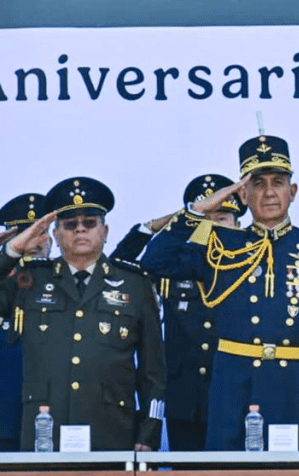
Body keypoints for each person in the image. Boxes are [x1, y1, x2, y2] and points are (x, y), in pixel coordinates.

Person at [140, 135, 299, 450]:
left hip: (294, 392)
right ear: (243, 193)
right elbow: (155, 261)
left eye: (278, 182)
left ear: (292, 191)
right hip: (233, 395)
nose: (269, 192)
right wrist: (195, 212)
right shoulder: (220, 246)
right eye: (258, 184)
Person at [0, 178, 164, 451]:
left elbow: (153, 371)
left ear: (105, 230)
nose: (80, 230)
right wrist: (12, 249)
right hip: (44, 430)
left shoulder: (135, 284)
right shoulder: (30, 281)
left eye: (89, 223)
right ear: (56, 233)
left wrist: (148, 434)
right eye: (70, 225)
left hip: (111, 430)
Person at [111, 175, 246, 450]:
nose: (212, 228)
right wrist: (163, 224)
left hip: (236, 398)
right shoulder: (172, 266)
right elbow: (119, 266)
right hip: (186, 400)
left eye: (221, 219)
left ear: (238, 225)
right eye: (206, 219)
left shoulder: (248, 265)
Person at [0, 193, 52, 451]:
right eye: (26, 234)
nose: (35, 241)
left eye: (42, 232)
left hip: (52, 418)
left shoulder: (70, 282)